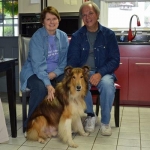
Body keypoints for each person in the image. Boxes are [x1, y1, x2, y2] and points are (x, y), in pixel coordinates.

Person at [67, 1, 120, 136]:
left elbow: (115, 60)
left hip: (104, 72)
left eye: (90, 13)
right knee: (81, 83)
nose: (87, 17)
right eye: (84, 15)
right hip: (83, 72)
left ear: (97, 14)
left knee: (108, 85)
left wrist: (100, 73)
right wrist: (84, 74)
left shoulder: (109, 35)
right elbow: (72, 61)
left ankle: (105, 122)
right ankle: (90, 115)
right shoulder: (77, 36)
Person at [20, 6, 69, 131]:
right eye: (48, 19)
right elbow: (38, 65)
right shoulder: (37, 37)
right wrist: (48, 84)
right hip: (34, 72)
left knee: (68, 85)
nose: (52, 22)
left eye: (54, 18)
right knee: (40, 88)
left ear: (59, 20)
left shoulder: (63, 37)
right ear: (43, 22)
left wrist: (53, 74)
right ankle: (30, 125)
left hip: (55, 72)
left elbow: (64, 62)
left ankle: (60, 123)